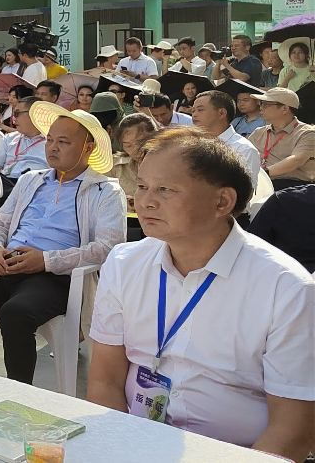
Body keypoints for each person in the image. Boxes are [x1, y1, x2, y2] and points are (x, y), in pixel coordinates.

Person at [87, 129, 314, 459]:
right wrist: (124, 450)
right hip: (133, 442)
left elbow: (291, 429)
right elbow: (105, 381)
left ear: (222, 201)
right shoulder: (124, 263)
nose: (145, 201)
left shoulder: (286, 288)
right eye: (143, 186)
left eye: (165, 189)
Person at [0, 103, 125, 385]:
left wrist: (46, 260)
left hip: (53, 278)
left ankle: (19, 394)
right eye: (49, 140)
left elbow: (108, 247)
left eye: (63, 141)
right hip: (3, 265)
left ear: (88, 148)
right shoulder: (30, 180)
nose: (52, 147)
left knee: (16, 314)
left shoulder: (104, 191)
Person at [247, 87, 314, 190]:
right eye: (261, 104)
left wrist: (263, 173)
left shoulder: (307, 133)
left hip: (293, 187)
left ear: (284, 109)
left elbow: (296, 159)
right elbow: (243, 155)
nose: (260, 108)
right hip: (259, 183)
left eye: (265, 104)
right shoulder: (259, 132)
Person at [191, 90, 261, 187]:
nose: (194, 115)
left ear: (221, 113)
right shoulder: (191, 145)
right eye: (193, 110)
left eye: (200, 110)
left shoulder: (243, 149)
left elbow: (245, 192)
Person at [0, 97, 50, 206]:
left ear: (34, 114)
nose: (13, 118)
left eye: (17, 113)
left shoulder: (51, 141)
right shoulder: (10, 138)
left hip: (34, 184)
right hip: (7, 182)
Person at [247, 184, 315, 272]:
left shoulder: (282, 200)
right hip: (282, 277)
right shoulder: (282, 201)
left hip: (281, 275)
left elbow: (250, 250)